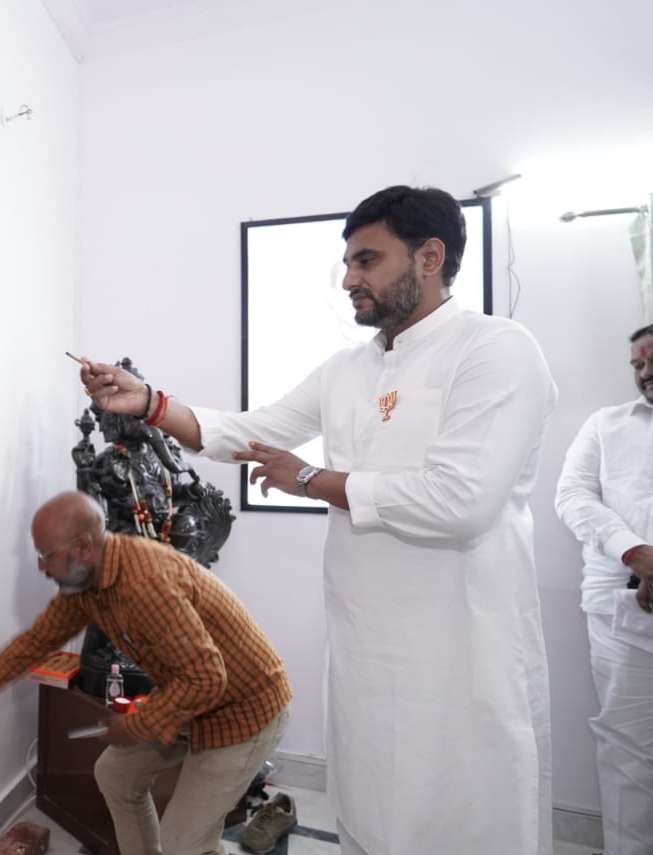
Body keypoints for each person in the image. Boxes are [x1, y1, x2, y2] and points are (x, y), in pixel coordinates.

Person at [78, 185, 557, 855]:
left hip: (462, 646)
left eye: (367, 260)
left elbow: (461, 501)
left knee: (461, 813)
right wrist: (151, 403)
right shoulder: (347, 368)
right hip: (366, 643)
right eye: (349, 262)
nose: (349, 278)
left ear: (430, 257)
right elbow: (250, 431)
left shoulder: (495, 349)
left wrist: (309, 479)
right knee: (371, 809)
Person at [0, 491, 292, 855]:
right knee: (115, 775)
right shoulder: (87, 583)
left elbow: (206, 678)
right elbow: (35, 642)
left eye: (46, 555)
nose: (41, 567)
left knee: (184, 844)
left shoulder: (145, 583)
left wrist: (136, 725)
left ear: (82, 546)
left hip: (244, 709)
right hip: (190, 696)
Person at [554, 323, 653, 854]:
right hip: (622, 611)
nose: (645, 372)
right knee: (628, 752)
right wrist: (634, 551)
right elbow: (572, 496)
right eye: (637, 364)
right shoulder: (606, 425)